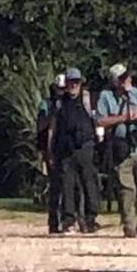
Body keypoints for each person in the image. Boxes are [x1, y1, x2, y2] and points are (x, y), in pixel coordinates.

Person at [96, 63, 137, 239]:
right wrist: (124, 118)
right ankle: (129, 224)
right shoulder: (105, 96)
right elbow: (100, 120)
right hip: (120, 147)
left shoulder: (136, 93)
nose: (127, 81)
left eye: (128, 77)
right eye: (123, 78)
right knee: (127, 188)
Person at [53, 68, 101, 235]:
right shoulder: (60, 103)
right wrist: (53, 150)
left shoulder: (89, 99)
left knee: (89, 183)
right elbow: (55, 127)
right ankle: (68, 221)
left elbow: (98, 121)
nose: (73, 85)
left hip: (85, 147)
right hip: (66, 150)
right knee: (67, 185)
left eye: (76, 82)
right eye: (70, 82)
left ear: (81, 83)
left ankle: (90, 220)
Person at [37, 74, 66, 234]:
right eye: (59, 89)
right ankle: (53, 221)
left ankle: (69, 219)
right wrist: (45, 153)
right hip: (51, 149)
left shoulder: (69, 104)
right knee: (55, 186)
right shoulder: (46, 105)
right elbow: (41, 130)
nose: (61, 92)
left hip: (66, 149)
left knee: (69, 186)